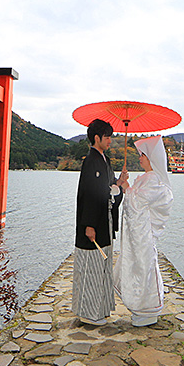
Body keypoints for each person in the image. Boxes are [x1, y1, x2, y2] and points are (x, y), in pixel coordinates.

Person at [72, 118, 129, 325]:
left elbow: (108, 191)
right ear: (96, 138)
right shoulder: (91, 161)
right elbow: (90, 195)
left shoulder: (104, 161)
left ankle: (100, 310)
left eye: (111, 137)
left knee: (101, 267)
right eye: (107, 137)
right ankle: (89, 313)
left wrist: (119, 183)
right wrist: (88, 224)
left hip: (104, 221)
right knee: (91, 268)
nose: (110, 141)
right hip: (94, 223)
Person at [114, 135, 173, 326]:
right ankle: (139, 306)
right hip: (138, 233)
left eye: (142, 155)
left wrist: (126, 188)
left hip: (143, 234)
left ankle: (147, 308)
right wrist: (127, 187)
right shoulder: (146, 178)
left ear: (150, 158)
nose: (139, 158)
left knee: (144, 266)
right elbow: (136, 199)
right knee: (136, 264)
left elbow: (138, 203)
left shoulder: (154, 180)